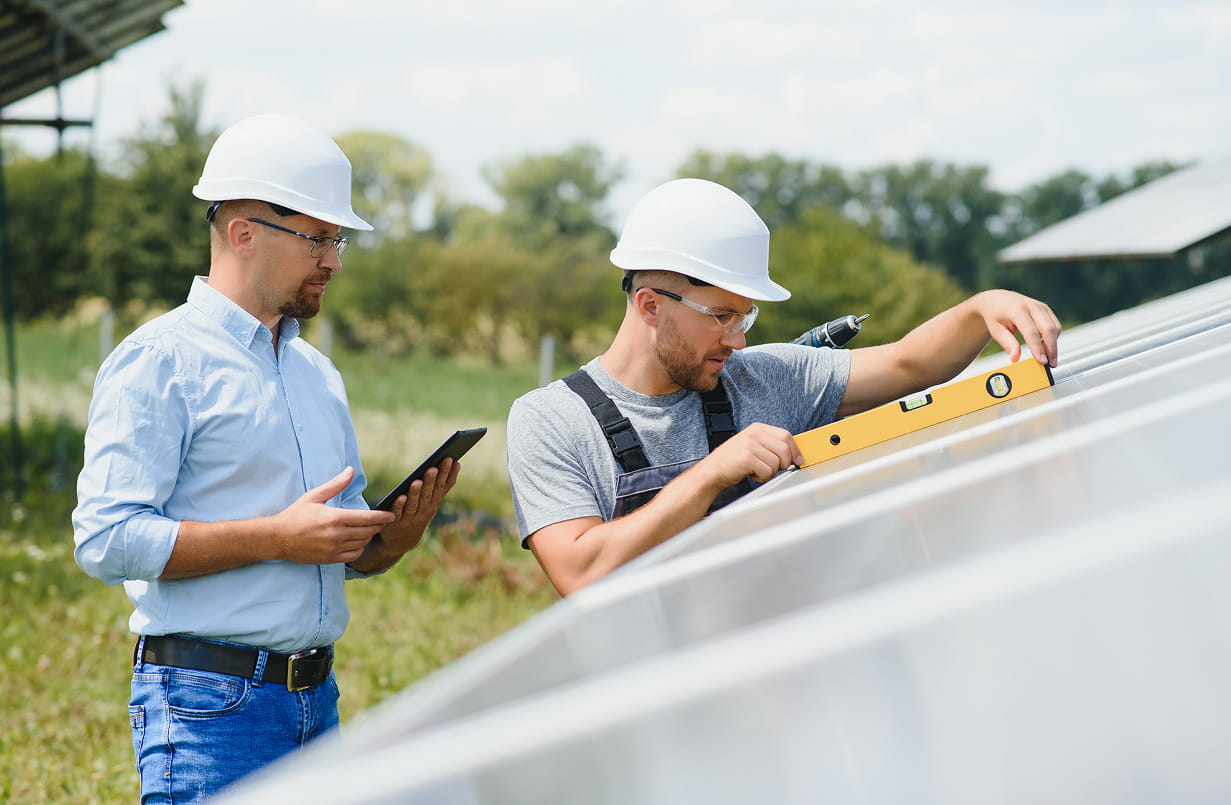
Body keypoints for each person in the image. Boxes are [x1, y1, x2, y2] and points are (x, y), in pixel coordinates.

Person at [72, 113, 461, 802]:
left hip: (316, 701)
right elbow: (105, 539)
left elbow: (335, 544)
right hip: (207, 707)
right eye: (318, 237)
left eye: (336, 240)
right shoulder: (159, 361)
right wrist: (277, 537)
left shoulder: (316, 373)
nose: (334, 260)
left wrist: (388, 540)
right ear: (243, 232)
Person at [507, 178, 1060, 596]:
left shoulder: (769, 377)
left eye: (744, 319)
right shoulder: (552, 421)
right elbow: (579, 571)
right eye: (722, 316)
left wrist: (979, 308)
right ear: (651, 305)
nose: (738, 343)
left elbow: (911, 366)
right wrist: (712, 472)